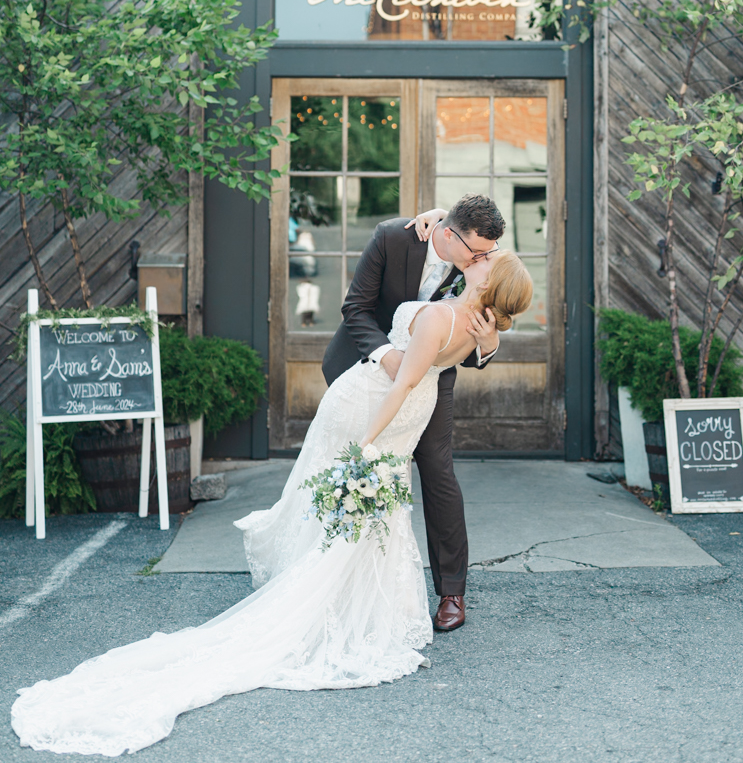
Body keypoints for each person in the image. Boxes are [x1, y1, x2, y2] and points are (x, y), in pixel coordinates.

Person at [11, 250, 533, 758]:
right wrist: (483, 346)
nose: (483, 257)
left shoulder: (444, 314)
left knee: (345, 506)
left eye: (489, 261)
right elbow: (439, 361)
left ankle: (314, 601)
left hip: (373, 409)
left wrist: (369, 441)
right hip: (404, 416)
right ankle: (358, 609)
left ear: (487, 283)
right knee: (370, 515)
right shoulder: (476, 329)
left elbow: (405, 381)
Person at [322, 193, 504, 632]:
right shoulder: (392, 237)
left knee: (438, 472)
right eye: (476, 251)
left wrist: (489, 347)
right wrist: (386, 357)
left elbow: (483, 330)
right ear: (447, 235)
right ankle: (336, 576)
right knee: (356, 469)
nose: (484, 259)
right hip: (366, 368)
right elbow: (356, 308)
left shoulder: (478, 261)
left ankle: (452, 593)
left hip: (430, 380)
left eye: (488, 252)